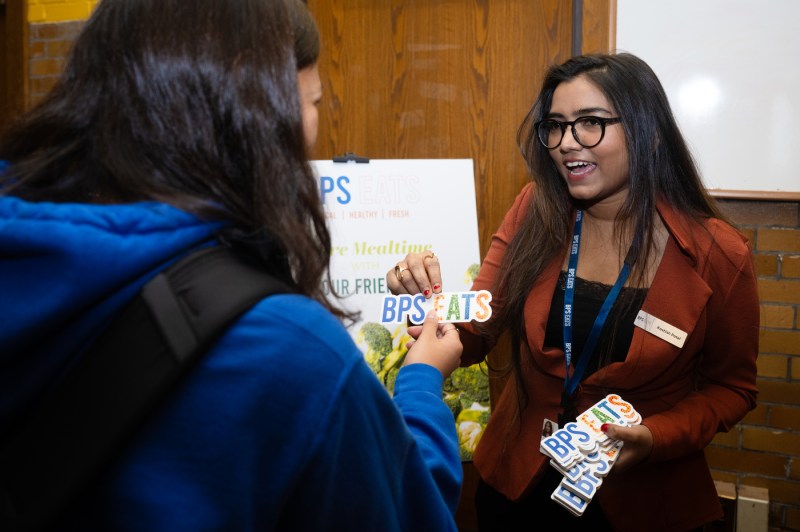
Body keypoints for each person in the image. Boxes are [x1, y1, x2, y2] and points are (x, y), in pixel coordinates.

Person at [0, 0, 464, 530]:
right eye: (313, 100)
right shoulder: (287, 349)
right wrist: (423, 380)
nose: (314, 125)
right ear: (259, 114)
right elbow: (408, 509)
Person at [387, 52, 758, 532]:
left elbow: (732, 388)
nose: (566, 143)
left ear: (648, 133)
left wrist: (653, 437)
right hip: (517, 487)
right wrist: (428, 300)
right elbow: (478, 327)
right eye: (556, 126)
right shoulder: (534, 212)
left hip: (643, 503)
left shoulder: (717, 254)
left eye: (590, 123)